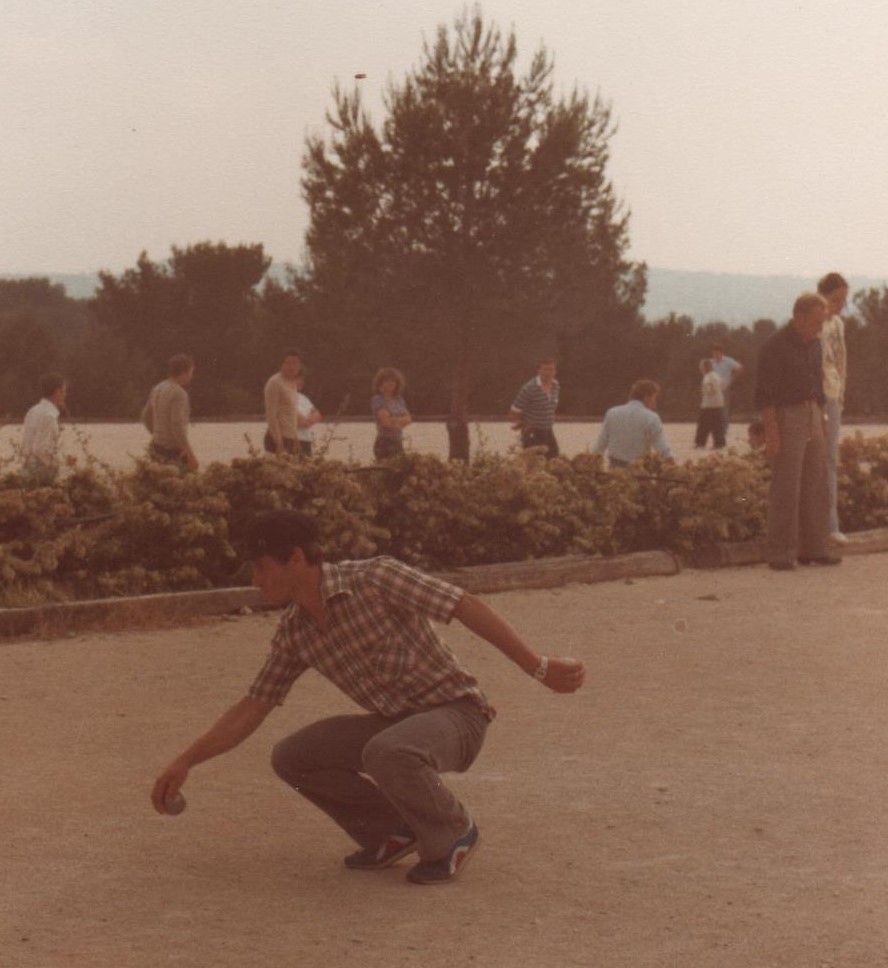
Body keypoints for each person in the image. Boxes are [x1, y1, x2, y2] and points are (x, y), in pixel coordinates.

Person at [151, 509, 585, 885]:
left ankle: (454, 833)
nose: (255, 579)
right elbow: (252, 706)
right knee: (293, 757)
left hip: (458, 716)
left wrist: (537, 665)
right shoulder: (294, 631)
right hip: (396, 728)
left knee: (387, 750)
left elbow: (465, 605)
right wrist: (187, 760)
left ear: (297, 558)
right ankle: (390, 832)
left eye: (262, 567)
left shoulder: (377, 577)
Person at [754, 292, 838, 571]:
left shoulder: (815, 344)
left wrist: (822, 417)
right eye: (816, 321)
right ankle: (780, 552)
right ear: (798, 317)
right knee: (787, 485)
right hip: (786, 415)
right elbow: (764, 395)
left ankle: (814, 548)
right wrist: (772, 433)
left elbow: (818, 382)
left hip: (813, 411)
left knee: (816, 482)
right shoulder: (774, 346)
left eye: (822, 322)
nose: (820, 327)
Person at [817, 272, 849, 544]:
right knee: (815, 459)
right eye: (835, 299)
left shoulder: (838, 324)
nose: (839, 305)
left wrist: (839, 397)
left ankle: (831, 524)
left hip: (833, 395)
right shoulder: (816, 325)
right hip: (816, 397)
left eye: (843, 301)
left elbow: (841, 360)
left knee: (830, 460)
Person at [593, 379, 673, 468]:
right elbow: (662, 449)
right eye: (654, 398)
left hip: (615, 472)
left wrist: (590, 464)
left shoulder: (612, 413)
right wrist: (674, 467)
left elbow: (600, 446)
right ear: (646, 397)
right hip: (639, 472)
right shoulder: (652, 418)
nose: (655, 403)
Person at [141, 354, 198, 470]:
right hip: (173, 451)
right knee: (184, 484)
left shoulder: (157, 388)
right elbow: (177, 425)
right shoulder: (179, 393)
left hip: (156, 447)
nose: (191, 376)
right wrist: (190, 454)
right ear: (184, 373)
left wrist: (157, 434)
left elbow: (145, 417)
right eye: (191, 372)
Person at [20, 373, 69, 485]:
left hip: (26, 470)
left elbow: (27, 445)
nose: (65, 395)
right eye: (64, 391)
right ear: (57, 392)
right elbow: (41, 450)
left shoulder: (32, 411)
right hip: (40, 473)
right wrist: (56, 466)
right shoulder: (49, 416)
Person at [509, 358, 560, 458]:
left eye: (551, 370)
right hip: (532, 431)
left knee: (554, 457)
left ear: (555, 371)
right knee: (534, 464)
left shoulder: (556, 386)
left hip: (548, 430)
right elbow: (513, 411)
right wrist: (522, 424)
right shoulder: (529, 388)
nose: (548, 373)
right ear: (539, 370)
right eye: (545, 369)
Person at [264, 349, 305, 456]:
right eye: (288, 363)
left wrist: (296, 440)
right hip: (277, 440)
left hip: (290, 439)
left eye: (295, 363)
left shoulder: (292, 383)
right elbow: (271, 416)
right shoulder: (275, 382)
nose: (292, 367)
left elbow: (291, 413)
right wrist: (279, 443)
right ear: (282, 365)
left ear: (299, 366)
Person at [371, 368, 411, 459]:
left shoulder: (399, 399)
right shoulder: (378, 400)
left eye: (393, 381)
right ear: (381, 383)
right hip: (384, 443)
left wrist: (392, 419)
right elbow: (386, 423)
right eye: (387, 381)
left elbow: (409, 419)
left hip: (398, 441)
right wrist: (401, 420)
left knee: (401, 470)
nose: (391, 384)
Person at [711, 344, 744, 436]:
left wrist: (731, 379)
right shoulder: (711, 362)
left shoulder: (728, 361)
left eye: (717, 353)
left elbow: (740, 368)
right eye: (713, 353)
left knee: (724, 409)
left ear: (721, 353)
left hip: (724, 388)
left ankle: (724, 430)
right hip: (714, 389)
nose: (715, 355)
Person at [694, 359, 726, 449]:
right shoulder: (717, 376)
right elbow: (723, 386)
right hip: (719, 403)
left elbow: (709, 389)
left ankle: (700, 443)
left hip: (708, 404)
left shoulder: (707, 377)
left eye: (701, 366)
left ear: (704, 367)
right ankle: (719, 443)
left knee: (703, 425)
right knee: (718, 425)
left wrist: (706, 392)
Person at [294, 372, 322, 457]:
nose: (301, 382)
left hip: (305, 441)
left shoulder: (303, 398)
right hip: (292, 441)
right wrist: (308, 421)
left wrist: (307, 421)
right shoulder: (283, 397)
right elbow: (299, 421)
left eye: (302, 379)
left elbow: (317, 415)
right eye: (298, 379)